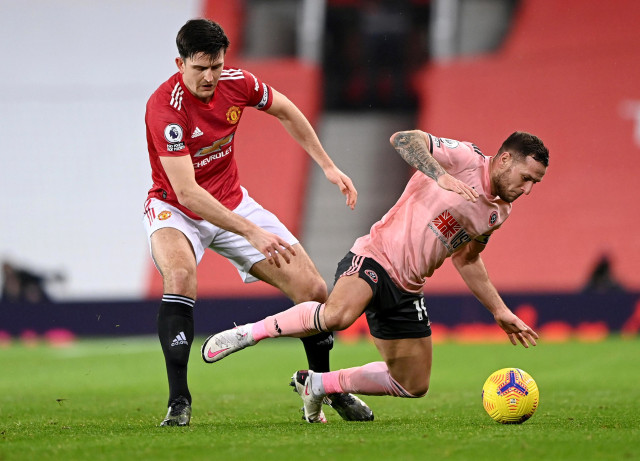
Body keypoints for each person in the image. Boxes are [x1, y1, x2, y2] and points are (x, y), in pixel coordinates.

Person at [201, 130, 549, 422]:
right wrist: (440, 174)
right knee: (338, 314)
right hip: (375, 255)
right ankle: (248, 334)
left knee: (412, 384)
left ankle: (319, 384)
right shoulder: (464, 158)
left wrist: (499, 310)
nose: (528, 190)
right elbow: (403, 140)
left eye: (535, 183)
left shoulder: (498, 212)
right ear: (504, 160)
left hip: (408, 288)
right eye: (526, 178)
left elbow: (468, 258)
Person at [143, 18, 373, 426]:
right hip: (176, 210)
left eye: (216, 66)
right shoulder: (165, 109)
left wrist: (329, 166)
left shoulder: (237, 82)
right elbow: (187, 192)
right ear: (179, 63)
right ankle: (179, 401)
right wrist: (249, 230)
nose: (210, 77)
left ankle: (323, 386)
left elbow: (286, 110)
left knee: (314, 288)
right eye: (200, 68)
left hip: (231, 199)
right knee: (180, 278)